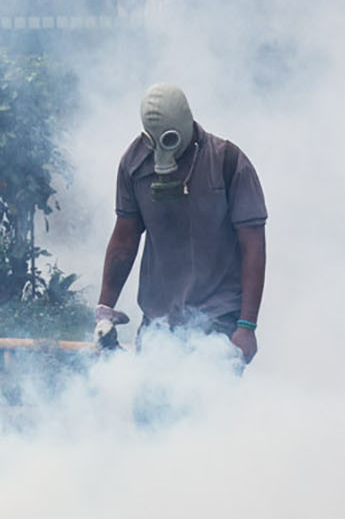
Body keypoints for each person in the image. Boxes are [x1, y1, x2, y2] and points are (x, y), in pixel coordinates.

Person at [93, 83, 267, 363]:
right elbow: (124, 239)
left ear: (188, 122)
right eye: (155, 140)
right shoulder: (134, 164)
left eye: (170, 138)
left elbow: (253, 246)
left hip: (218, 319)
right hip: (158, 322)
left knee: (208, 404)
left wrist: (247, 326)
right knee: (149, 403)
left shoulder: (228, 162)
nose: (163, 149)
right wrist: (105, 308)